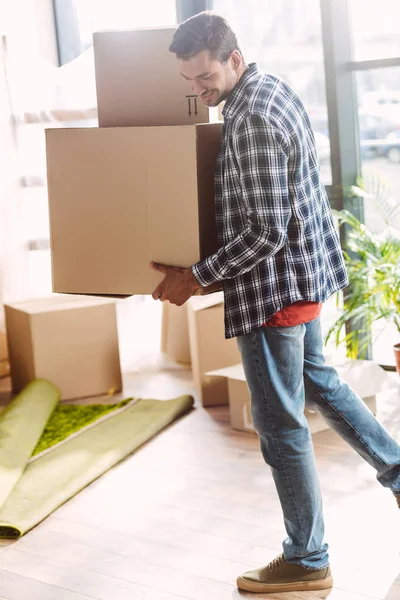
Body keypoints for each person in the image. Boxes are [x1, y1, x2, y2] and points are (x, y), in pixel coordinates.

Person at [150, 11, 400, 595]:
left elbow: (263, 232)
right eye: (189, 80)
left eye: (205, 77)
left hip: (274, 292)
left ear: (233, 59)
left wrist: (196, 277)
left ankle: (308, 559)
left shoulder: (254, 116)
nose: (198, 91)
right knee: (320, 383)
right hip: (301, 278)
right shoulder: (267, 89)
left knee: (281, 426)